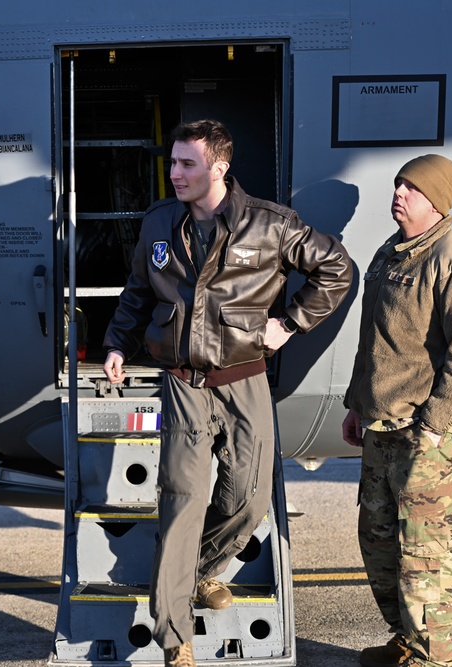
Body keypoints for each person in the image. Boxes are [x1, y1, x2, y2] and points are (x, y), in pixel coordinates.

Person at [102, 119, 353, 667]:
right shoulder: (160, 224)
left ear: (219, 167)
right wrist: (118, 344)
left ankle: (196, 573)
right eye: (172, 162)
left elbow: (337, 269)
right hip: (184, 384)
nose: (175, 173)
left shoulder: (270, 225)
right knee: (182, 501)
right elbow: (138, 291)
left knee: (247, 499)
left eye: (187, 163)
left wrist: (288, 324)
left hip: (244, 380)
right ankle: (175, 638)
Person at [342, 155, 452, 667]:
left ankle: (435, 657)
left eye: (411, 187)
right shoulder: (392, 254)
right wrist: (355, 404)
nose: (399, 193)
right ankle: (406, 640)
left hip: (423, 432)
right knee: (381, 540)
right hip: (380, 423)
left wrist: (435, 423)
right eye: (398, 184)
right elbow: (376, 340)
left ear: (436, 201)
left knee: (426, 554)